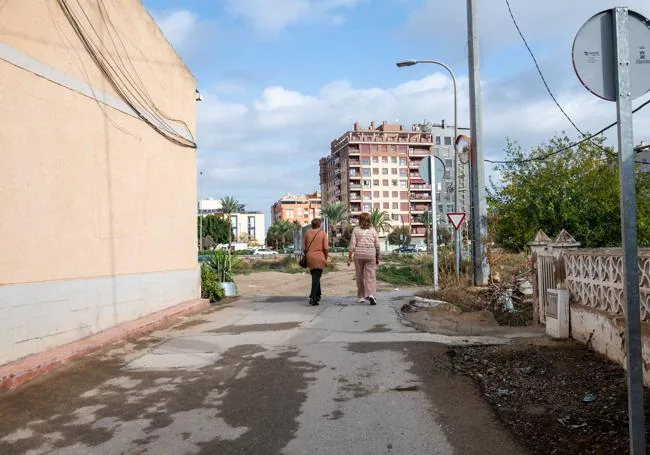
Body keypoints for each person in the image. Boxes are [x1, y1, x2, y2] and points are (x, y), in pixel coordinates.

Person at [347, 212, 380, 305]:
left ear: (360, 220)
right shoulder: (373, 231)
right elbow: (377, 246)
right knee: (370, 276)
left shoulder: (356, 230)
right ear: (370, 220)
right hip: (371, 255)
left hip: (358, 255)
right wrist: (377, 257)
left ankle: (361, 296)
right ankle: (370, 294)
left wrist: (349, 256)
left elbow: (352, 244)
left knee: (359, 275)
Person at [303, 218, 328, 306]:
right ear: (319, 225)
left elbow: (304, 248)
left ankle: (318, 295)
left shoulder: (307, 233)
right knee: (316, 277)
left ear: (312, 224)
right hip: (319, 257)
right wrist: (326, 257)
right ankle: (312, 297)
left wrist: (307, 255)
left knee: (315, 276)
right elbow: (325, 248)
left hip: (310, 257)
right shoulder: (323, 234)